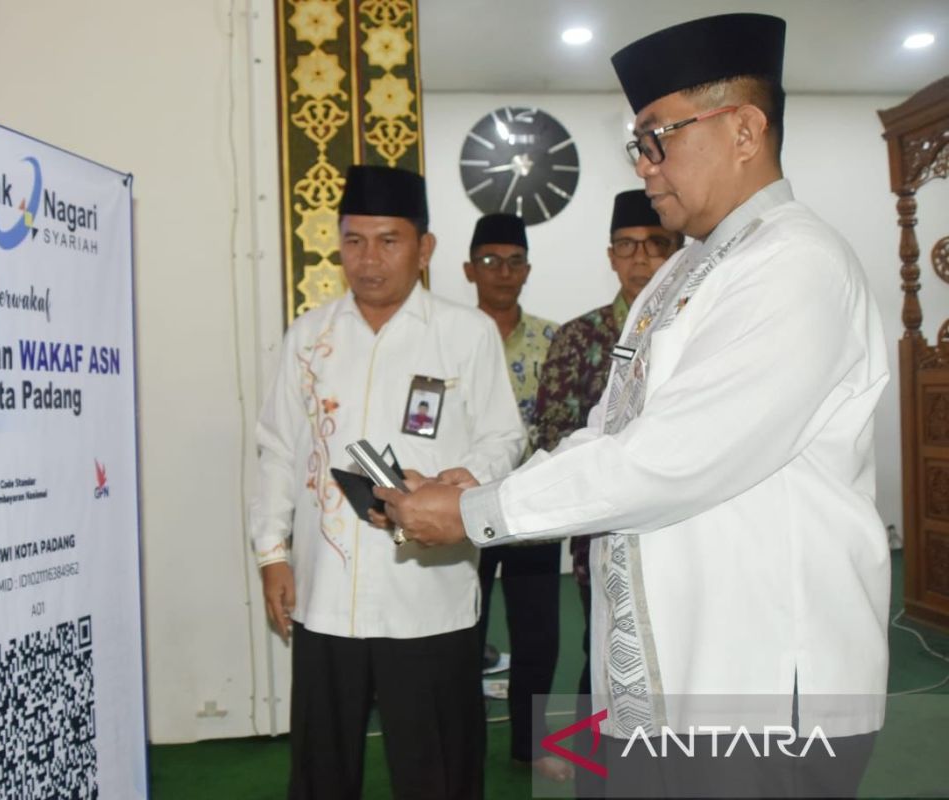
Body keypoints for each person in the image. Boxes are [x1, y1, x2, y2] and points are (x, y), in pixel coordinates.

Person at [376, 14, 889, 798]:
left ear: (745, 130)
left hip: (761, 679)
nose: (644, 167)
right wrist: (470, 490)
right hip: (676, 675)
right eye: (637, 144)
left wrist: (480, 511)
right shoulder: (685, 274)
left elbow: (674, 457)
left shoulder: (796, 264)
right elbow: (610, 432)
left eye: (658, 138)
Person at [250, 164, 526, 800]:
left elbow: (504, 438)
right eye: (353, 240)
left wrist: (466, 479)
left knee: (438, 770)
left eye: (388, 241)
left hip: (427, 596)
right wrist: (272, 553)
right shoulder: (308, 339)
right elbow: (274, 449)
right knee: (322, 768)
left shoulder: (466, 334)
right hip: (326, 595)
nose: (368, 259)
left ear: (424, 248)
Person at [531, 191, 681, 796]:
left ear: (674, 250)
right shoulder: (579, 337)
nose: (641, 259)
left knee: (677, 658)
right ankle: (600, 778)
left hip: (680, 531)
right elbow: (552, 432)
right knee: (606, 656)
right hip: (605, 534)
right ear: (611, 256)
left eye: (654, 244)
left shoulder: (695, 325)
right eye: (627, 246)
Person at [462, 212, 571, 782]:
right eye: (489, 261)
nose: (502, 273)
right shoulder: (450, 336)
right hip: (461, 511)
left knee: (538, 636)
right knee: (462, 634)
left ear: (527, 269)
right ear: (468, 269)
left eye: (513, 261)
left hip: (531, 509)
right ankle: (465, 748)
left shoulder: (557, 340)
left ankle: (530, 747)